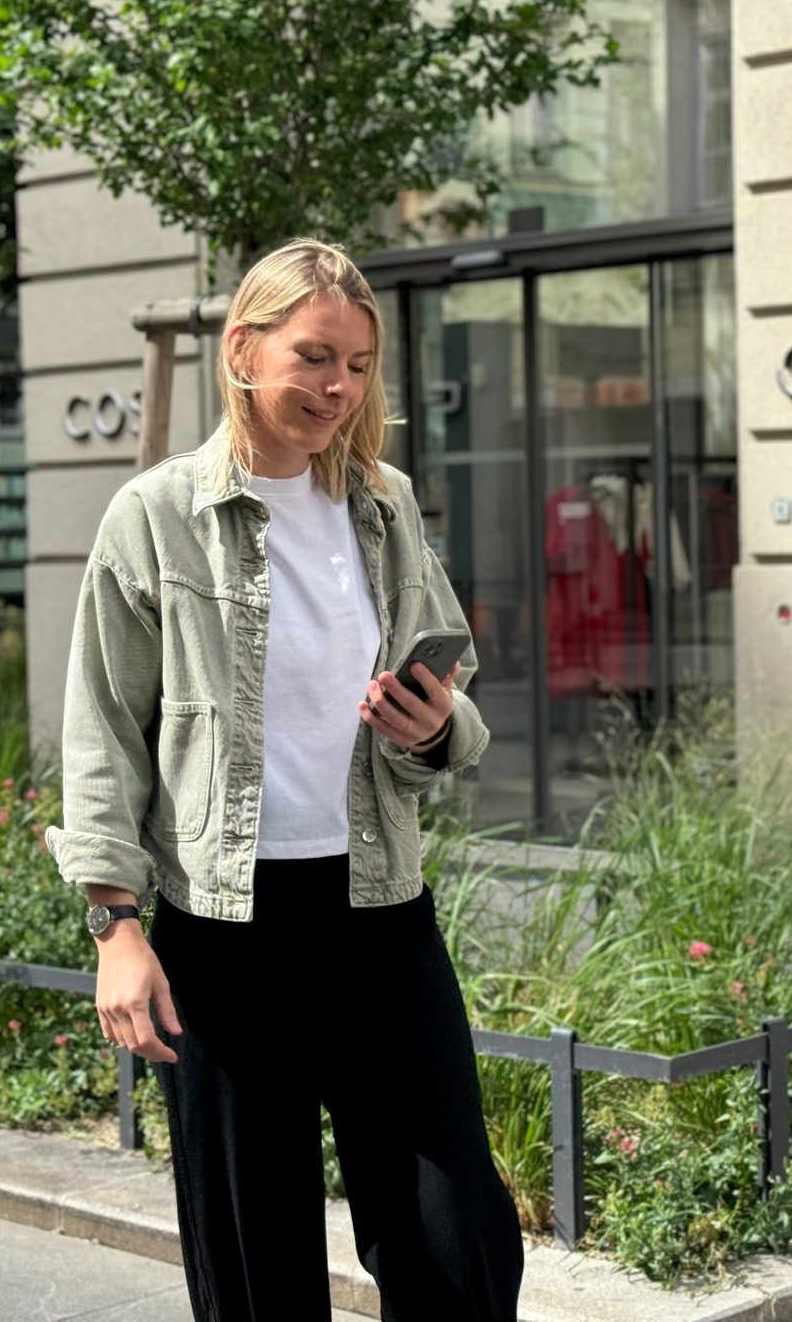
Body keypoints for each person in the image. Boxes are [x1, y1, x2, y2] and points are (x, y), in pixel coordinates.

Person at [48, 239, 522, 1321]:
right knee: (257, 1269)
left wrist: (436, 723)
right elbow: (103, 732)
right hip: (225, 933)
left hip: (379, 912)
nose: (338, 388)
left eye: (357, 366)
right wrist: (116, 928)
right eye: (314, 357)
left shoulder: (386, 504)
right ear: (242, 350)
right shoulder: (155, 516)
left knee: (457, 1246)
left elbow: (457, 708)